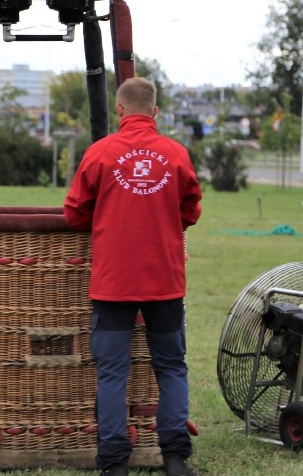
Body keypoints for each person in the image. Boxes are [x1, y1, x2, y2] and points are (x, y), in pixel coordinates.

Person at [64, 77, 202, 476]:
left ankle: (113, 465)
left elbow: (74, 212)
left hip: (113, 283)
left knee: (111, 372)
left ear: (119, 110)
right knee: (172, 366)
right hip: (164, 281)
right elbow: (191, 210)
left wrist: (110, 213)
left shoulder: (100, 153)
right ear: (155, 112)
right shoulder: (175, 154)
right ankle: (175, 459)